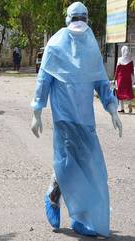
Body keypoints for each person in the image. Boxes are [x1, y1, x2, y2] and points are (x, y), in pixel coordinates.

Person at [31, 2, 122, 237]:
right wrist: (37, 110)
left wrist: (112, 107)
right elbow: (44, 80)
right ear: (69, 20)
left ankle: (80, 217)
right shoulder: (55, 45)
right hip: (64, 117)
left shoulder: (91, 47)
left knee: (91, 168)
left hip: (85, 120)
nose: (80, 23)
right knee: (69, 165)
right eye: (77, 18)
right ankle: (53, 196)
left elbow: (101, 82)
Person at [115, 46, 134, 113]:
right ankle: (130, 104)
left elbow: (117, 70)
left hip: (120, 78)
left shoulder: (119, 59)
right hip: (128, 78)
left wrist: (115, 78)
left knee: (120, 93)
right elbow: (132, 70)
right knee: (128, 92)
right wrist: (133, 79)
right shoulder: (131, 60)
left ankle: (122, 109)